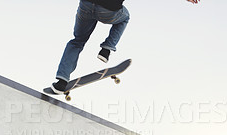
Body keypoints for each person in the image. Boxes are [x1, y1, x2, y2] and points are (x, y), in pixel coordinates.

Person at [51, 0, 200, 94]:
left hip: (86, 5)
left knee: (77, 41)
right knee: (125, 17)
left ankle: (61, 82)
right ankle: (107, 48)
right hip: (109, 10)